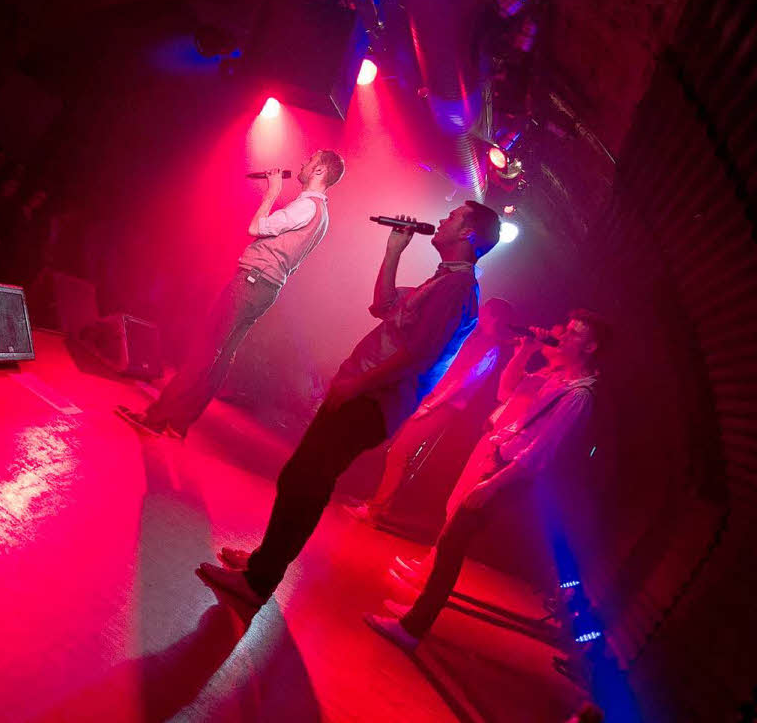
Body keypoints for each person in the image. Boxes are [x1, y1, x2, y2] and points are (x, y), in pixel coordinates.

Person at [197, 201, 502, 606]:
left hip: (372, 400)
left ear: (469, 234)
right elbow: (383, 307)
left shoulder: (458, 288)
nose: (442, 219)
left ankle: (259, 580)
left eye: (454, 217)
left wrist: (359, 384)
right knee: (301, 478)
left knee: (306, 480)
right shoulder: (443, 280)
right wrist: (394, 250)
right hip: (364, 393)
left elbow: (419, 354)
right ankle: (262, 563)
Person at [364, 309, 609, 654]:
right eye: (565, 330)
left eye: (574, 334)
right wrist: (525, 350)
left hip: (507, 474)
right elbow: (507, 390)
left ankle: (413, 627)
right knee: (451, 539)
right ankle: (417, 614)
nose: (564, 337)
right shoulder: (557, 377)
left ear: (591, 346)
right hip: (497, 461)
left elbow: (539, 453)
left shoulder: (578, 396)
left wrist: (492, 484)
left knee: (452, 543)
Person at [116, 150, 345, 438]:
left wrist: (272, 193)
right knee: (221, 355)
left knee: (206, 349)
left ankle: (157, 418)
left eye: (310, 161)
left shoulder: (307, 207)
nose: (302, 163)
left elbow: (256, 227)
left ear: (320, 172)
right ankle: (179, 422)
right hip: (265, 287)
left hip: (253, 281)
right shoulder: (321, 214)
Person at [344, 297, 518, 526]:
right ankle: (379, 504)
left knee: (400, 451)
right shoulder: (476, 337)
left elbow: (464, 381)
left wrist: (431, 404)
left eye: (485, 309)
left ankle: (377, 510)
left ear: (494, 316)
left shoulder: (490, 347)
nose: (481, 311)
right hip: (432, 397)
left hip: (443, 405)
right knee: (394, 447)